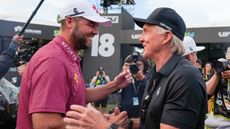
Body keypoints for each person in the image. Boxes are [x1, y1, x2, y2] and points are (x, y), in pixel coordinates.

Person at [63, 7, 207, 129]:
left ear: (166, 37)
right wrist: (121, 123)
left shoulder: (185, 78)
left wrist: (103, 126)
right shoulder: (154, 74)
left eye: (145, 31)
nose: (140, 38)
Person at [16, 0, 132, 129]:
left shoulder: (67, 56)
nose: (96, 31)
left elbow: (79, 95)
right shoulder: (54, 59)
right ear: (70, 21)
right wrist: (101, 126)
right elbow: (45, 124)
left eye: (97, 26)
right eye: (91, 24)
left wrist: (114, 85)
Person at [119, 52, 149, 129]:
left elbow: (151, 90)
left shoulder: (149, 79)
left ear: (145, 67)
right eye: (131, 65)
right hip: (126, 120)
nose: (134, 67)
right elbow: (112, 91)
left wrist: (141, 78)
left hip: (143, 121)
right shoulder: (125, 80)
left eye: (138, 65)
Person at [205, 47, 230, 129]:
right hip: (214, 121)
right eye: (228, 61)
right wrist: (216, 74)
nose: (229, 65)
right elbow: (207, 92)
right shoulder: (219, 70)